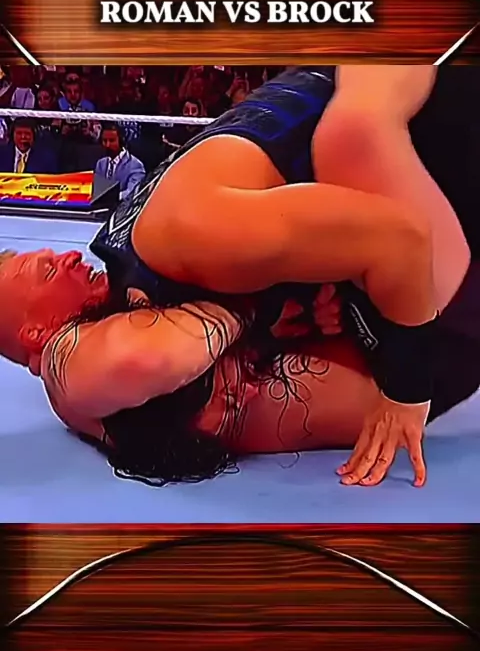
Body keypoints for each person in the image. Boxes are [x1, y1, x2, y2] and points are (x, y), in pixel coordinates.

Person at [0, 67, 476, 488]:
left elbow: (394, 239)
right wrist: (407, 389)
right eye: (43, 270)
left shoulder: (161, 252)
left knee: (350, 135)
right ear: (37, 331)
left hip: (413, 147)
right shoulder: (165, 260)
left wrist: (266, 312)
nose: (63, 255)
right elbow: (124, 364)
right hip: (427, 306)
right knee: (350, 137)